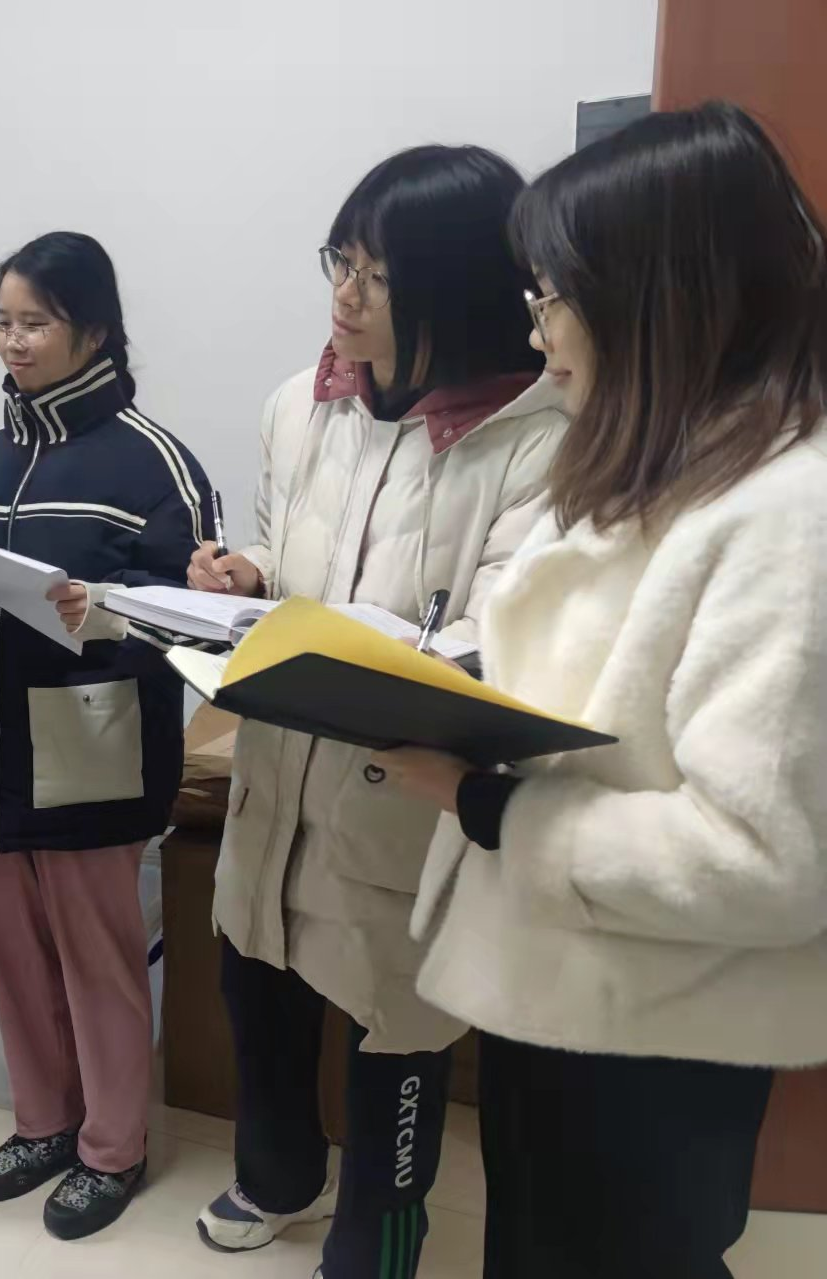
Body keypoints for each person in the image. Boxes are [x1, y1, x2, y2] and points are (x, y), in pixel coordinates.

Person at [380, 102, 827, 1279]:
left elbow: (761, 858)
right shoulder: (659, 465)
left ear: (653, 298)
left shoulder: (787, 516)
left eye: (552, 297)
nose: (539, 335)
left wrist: (489, 807)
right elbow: (611, 694)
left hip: (659, 1028)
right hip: (573, 989)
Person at [184, 148, 567, 1276]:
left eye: (379, 276)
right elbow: (282, 545)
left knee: (392, 1030)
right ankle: (278, 1176)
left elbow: (505, 638)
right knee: (258, 983)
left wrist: (396, 655)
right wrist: (248, 575)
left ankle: (379, 1235)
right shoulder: (300, 405)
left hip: (402, 798)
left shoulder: (540, 439)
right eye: (339, 262)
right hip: (277, 777)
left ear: (459, 286)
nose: (344, 296)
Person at [0, 231, 212, 1240]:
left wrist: (101, 609)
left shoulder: (153, 462)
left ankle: (112, 1146)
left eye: (36, 322)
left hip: (93, 754)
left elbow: (197, 620)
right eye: (2, 323)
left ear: (93, 330)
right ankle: (43, 1122)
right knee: (17, 959)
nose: (13, 342)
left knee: (99, 962)